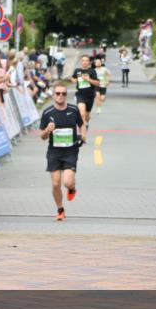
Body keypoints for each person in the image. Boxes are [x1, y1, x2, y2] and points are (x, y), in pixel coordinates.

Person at [40, 83, 86, 221]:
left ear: (66, 95)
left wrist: (83, 134)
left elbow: (82, 124)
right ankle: (60, 209)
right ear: (53, 95)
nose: (60, 96)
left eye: (63, 93)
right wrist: (48, 130)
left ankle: (72, 188)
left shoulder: (73, 109)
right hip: (54, 151)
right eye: (58, 93)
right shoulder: (47, 113)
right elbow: (42, 136)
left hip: (70, 150)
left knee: (67, 182)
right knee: (55, 183)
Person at [71, 54, 98, 124]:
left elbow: (97, 83)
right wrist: (74, 80)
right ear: (81, 62)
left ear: (89, 62)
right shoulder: (77, 71)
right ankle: (82, 130)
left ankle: (86, 124)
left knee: (87, 115)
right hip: (80, 95)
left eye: (86, 61)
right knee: (82, 113)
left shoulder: (92, 71)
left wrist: (88, 79)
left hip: (90, 96)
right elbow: (73, 78)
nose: (85, 62)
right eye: (83, 61)